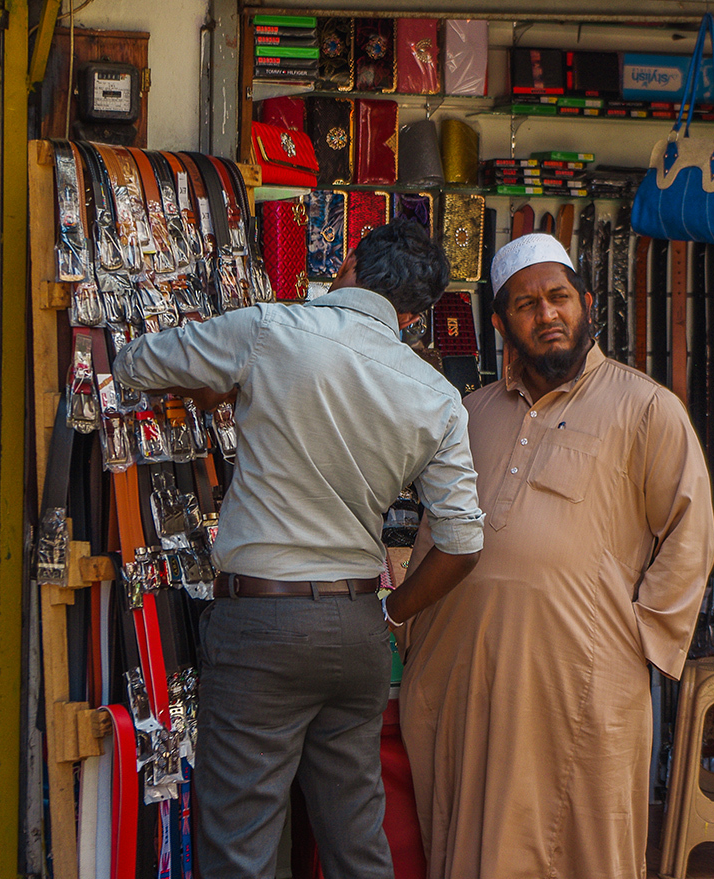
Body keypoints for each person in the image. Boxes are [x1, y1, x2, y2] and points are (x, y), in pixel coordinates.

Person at [112, 217, 485, 879]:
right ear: (414, 312)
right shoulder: (437, 395)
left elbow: (135, 363)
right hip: (359, 627)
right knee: (355, 834)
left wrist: (219, 387)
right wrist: (392, 614)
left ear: (346, 264)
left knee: (242, 842)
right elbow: (462, 544)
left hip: (264, 623)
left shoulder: (271, 329)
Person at [399, 233, 714, 879]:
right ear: (500, 322)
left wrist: (643, 639)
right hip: (466, 677)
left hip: (580, 681)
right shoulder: (470, 412)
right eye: (527, 303)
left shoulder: (646, 408)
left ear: (587, 304)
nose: (547, 314)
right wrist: (409, 625)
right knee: (470, 834)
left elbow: (692, 529)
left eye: (559, 297)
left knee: (581, 843)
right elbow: (438, 527)